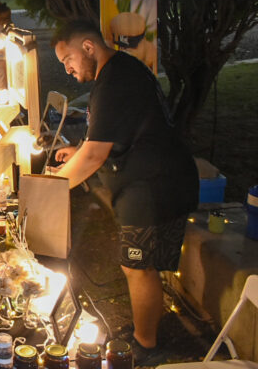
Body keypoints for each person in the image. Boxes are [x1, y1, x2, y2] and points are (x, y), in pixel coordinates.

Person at [49, 19, 198, 365]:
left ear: (88, 47)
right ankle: (144, 332)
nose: (68, 69)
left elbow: (95, 155)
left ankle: (146, 347)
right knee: (138, 265)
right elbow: (105, 136)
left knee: (138, 267)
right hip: (148, 180)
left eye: (67, 59)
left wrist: (51, 189)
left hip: (154, 185)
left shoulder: (115, 79)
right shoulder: (116, 73)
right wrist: (80, 152)